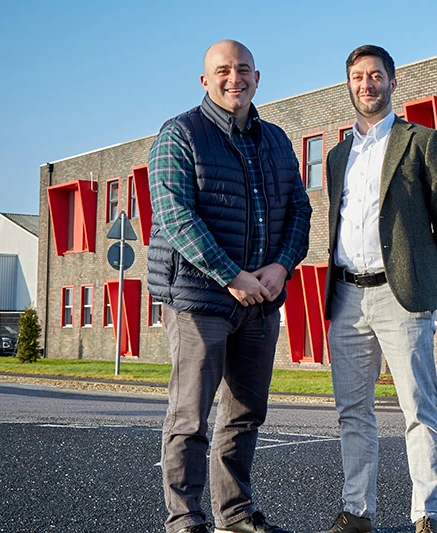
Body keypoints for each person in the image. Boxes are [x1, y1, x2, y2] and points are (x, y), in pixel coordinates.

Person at [147, 39, 311, 533]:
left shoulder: (277, 140)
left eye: (242, 70)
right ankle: (185, 520)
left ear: (257, 78)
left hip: (260, 301)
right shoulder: (179, 135)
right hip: (199, 299)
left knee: (245, 413)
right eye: (222, 70)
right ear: (205, 80)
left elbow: (299, 211)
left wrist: (281, 266)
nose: (233, 78)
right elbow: (175, 215)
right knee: (191, 416)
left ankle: (234, 515)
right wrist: (232, 275)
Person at [318, 45, 437, 533]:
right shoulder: (338, 155)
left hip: (400, 296)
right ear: (349, 85)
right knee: (352, 412)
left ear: (392, 82)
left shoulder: (422, 141)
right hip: (345, 296)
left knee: (417, 409)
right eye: (358, 77)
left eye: (376, 75)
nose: (367, 84)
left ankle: (427, 513)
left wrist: (429, 284)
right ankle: (358, 511)